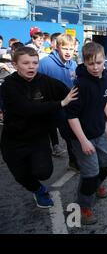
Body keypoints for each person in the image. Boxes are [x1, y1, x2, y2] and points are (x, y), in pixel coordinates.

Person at [0, 47, 77, 208]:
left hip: (38, 137)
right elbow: (26, 108)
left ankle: (35, 169)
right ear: (15, 65)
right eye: (26, 63)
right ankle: (39, 190)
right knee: (21, 175)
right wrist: (60, 103)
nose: (31, 66)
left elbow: (70, 93)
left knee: (44, 172)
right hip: (13, 139)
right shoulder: (9, 85)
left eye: (34, 63)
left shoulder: (45, 81)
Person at [65, 42, 107, 225]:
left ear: (104, 61)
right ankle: (83, 207)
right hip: (81, 137)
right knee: (90, 172)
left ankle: (96, 186)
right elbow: (71, 116)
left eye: (99, 63)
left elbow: (103, 101)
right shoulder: (80, 85)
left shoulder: (106, 77)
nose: (95, 67)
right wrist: (84, 141)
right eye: (91, 63)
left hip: (99, 132)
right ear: (84, 62)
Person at [38, 34, 79, 170]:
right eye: (65, 48)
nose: (68, 52)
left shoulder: (73, 64)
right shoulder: (45, 64)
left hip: (68, 109)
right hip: (48, 108)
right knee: (42, 137)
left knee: (70, 135)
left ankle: (74, 162)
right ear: (57, 47)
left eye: (71, 49)